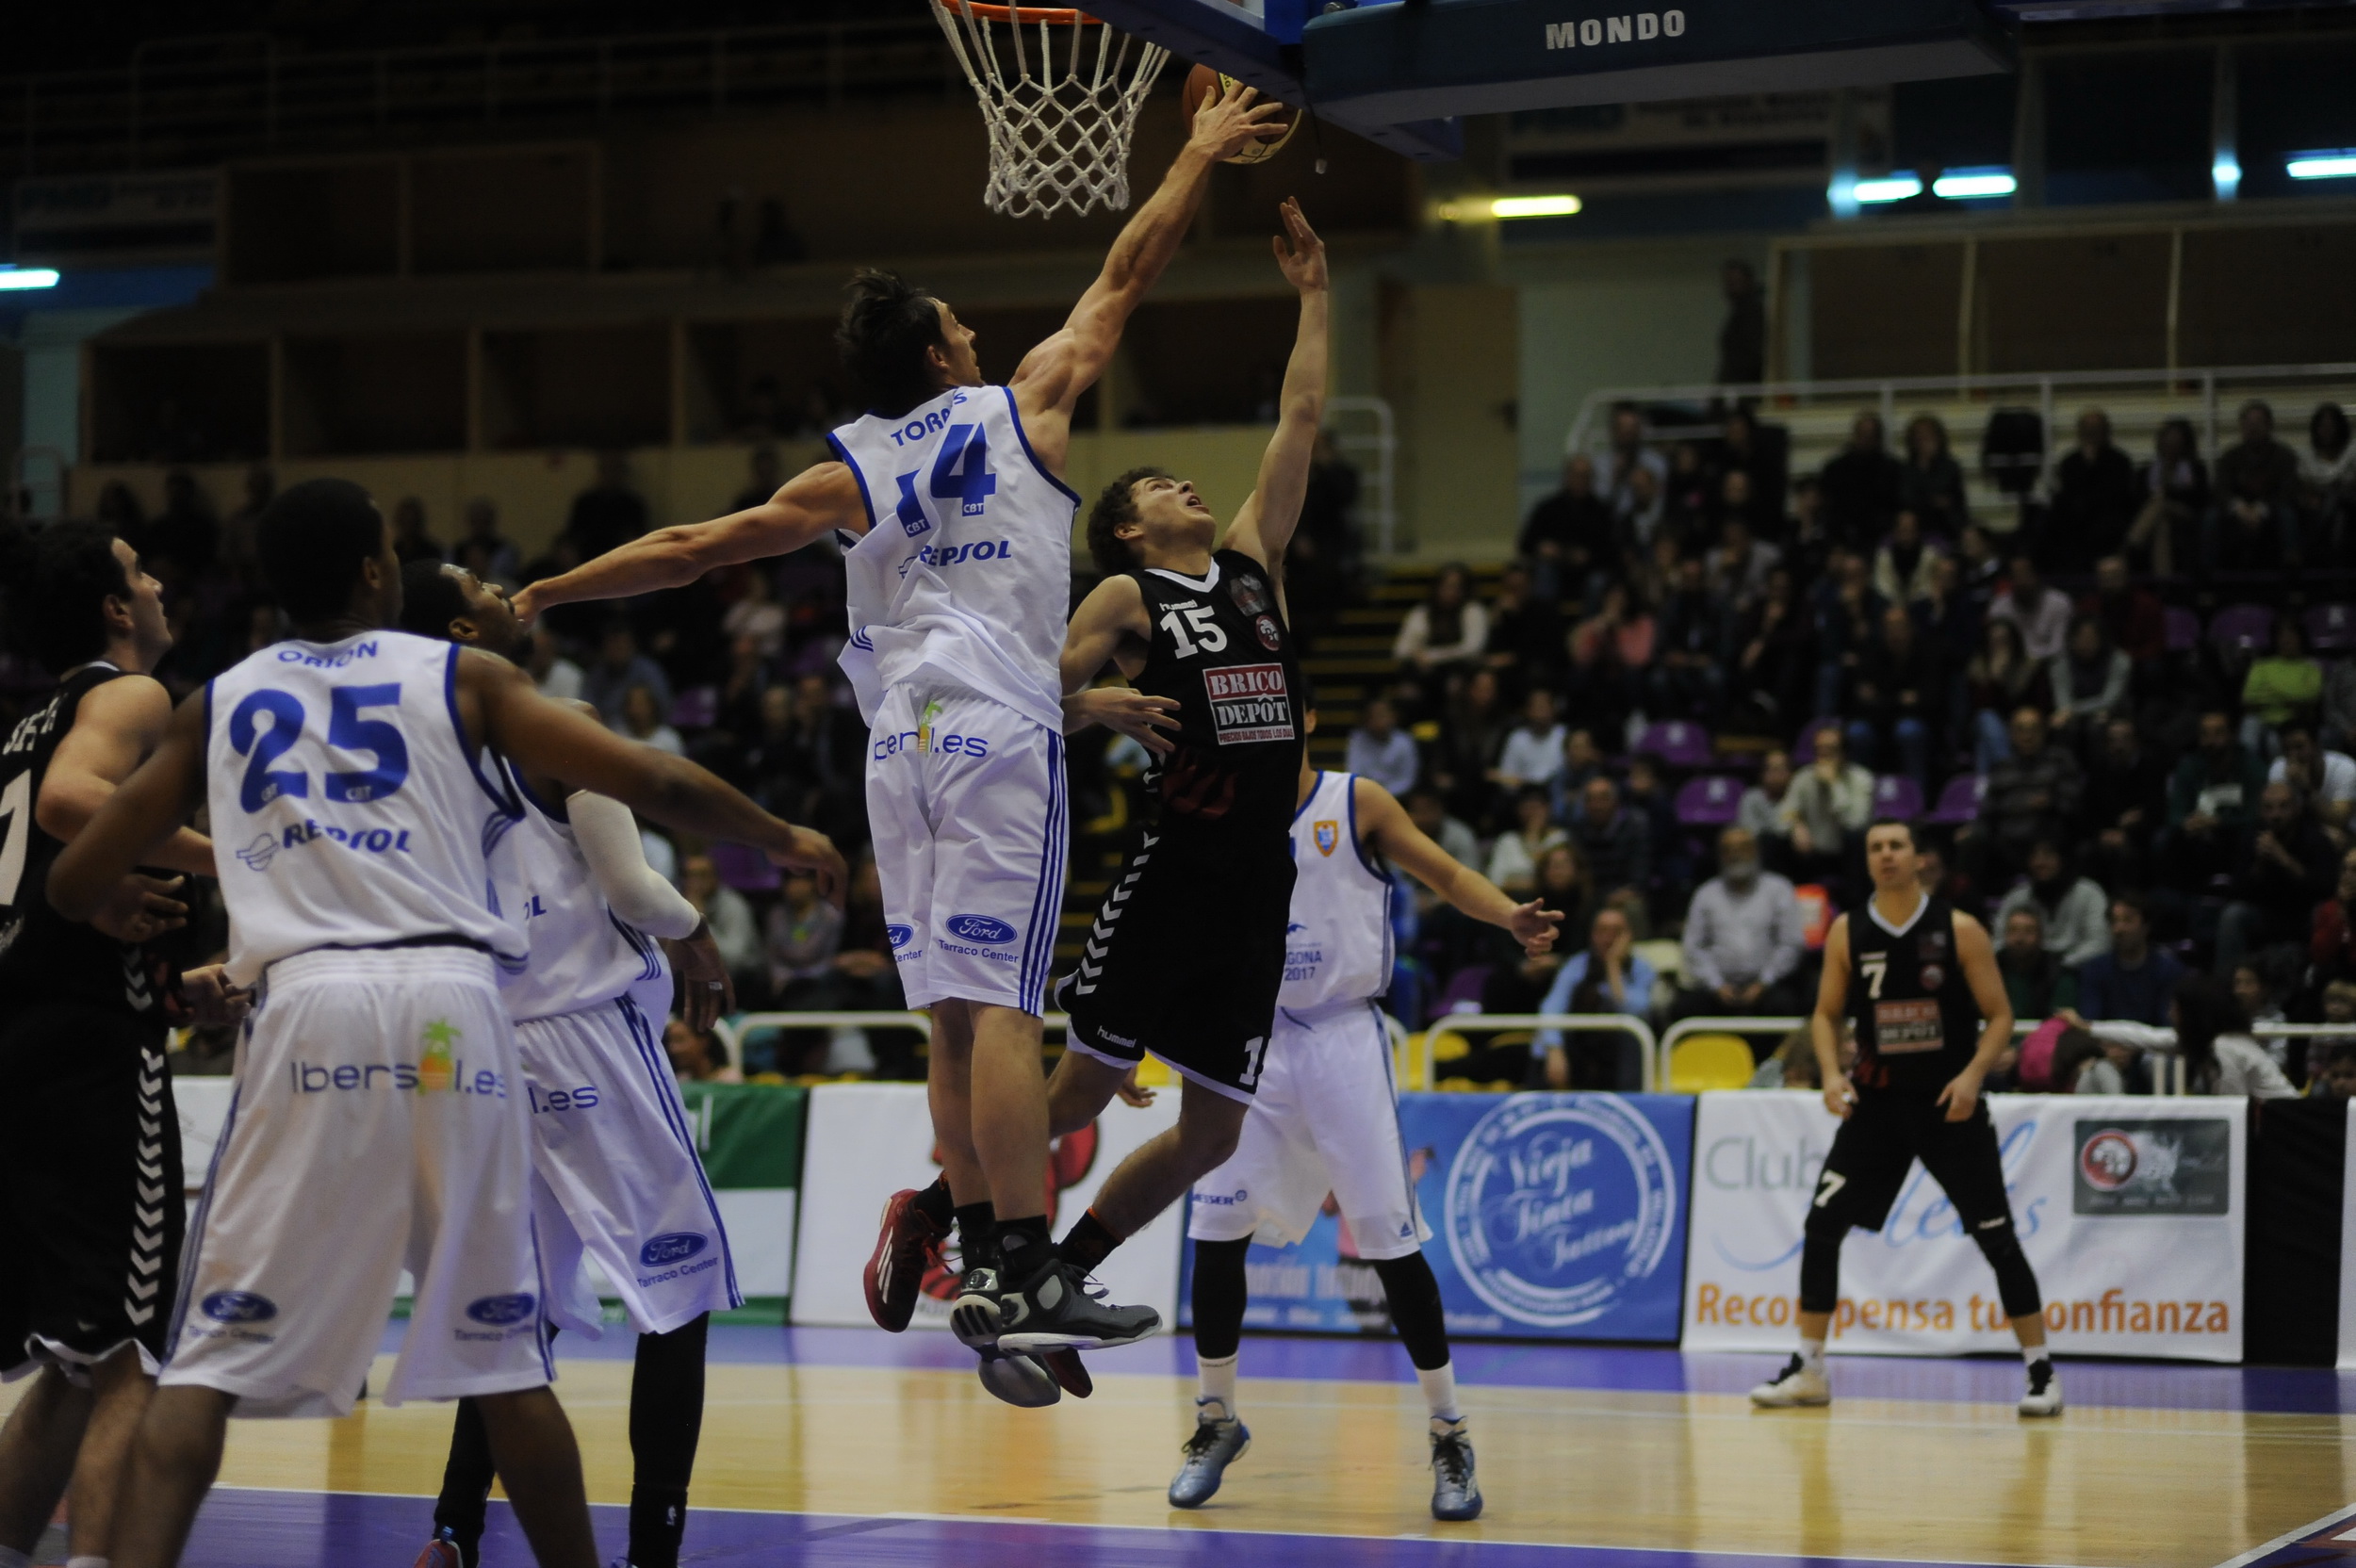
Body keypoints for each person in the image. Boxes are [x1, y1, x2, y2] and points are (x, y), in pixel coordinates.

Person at [513, 92, 1292, 1397]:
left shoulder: (852, 467)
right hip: (992, 728)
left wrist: (548, 592)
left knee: (944, 1015)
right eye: (962, 325)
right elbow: (1128, 272)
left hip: (897, 745)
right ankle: (1031, 1260)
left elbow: (694, 549)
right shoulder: (1015, 407)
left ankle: (986, 1249)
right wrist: (1198, 155)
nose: (981, 332)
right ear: (940, 354)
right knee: (998, 1012)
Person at [47, 479, 843, 1568]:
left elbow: (74, 874)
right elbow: (655, 778)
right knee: (503, 1346)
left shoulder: (219, 699)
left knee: (206, 1365)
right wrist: (781, 832)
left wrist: (122, 902)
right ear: (377, 570)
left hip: (308, 1004)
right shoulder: (462, 676)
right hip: (451, 1010)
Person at [1015, 202, 1333, 1391]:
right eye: (1158, 482)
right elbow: (1020, 704)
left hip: (1262, 883)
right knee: (1075, 1092)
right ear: (1130, 528)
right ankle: (944, 1209)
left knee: (1214, 1130)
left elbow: (1301, 415)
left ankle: (1065, 1267)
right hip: (1174, 873)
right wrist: (1089, 707)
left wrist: (1312, 295)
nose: (1185, 484)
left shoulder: (1252, 565)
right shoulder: (1123, 596)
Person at [396, 561, 744, 1568]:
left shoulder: (408, 755)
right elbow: (631, 885)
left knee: (513, 1320)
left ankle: (454, 1530)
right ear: (468, 624)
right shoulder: (558, 721)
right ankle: (652, 1551)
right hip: (583, 1029)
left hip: (469, 1043)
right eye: (486, 582)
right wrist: (697, 932)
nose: (512, 587)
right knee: (680, 1294)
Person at [1170, 733, 1562, 1521]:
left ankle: (1449, 1431)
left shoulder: (1358, 802)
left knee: (1389, 1238)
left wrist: (1506, 916)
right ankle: (1217, 1421)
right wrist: (1153, 1038)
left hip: (1343, 1034)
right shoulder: (1217, 805)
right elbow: (1186, 935)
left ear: (1304, 717)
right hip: (1248, 1037)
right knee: (1216, 1228)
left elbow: (1445, 872)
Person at [0, 523, 242, 1568]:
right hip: (92, 1059)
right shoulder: (132, 696)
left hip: (26, 1039)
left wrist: (175, 985)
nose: (155, 582)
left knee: (74, 1353)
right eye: (141, 570)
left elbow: (36, 879)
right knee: (136, 1345)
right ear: (111, 607)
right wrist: (244, 855)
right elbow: (70, 804)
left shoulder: (21, 725)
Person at [1750, 819, 2061, 1417]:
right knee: (1822, 1225)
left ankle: (2042, 1371)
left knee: (1996, 1236)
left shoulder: (1959, 929)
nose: (1887, 855)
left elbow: (2000, 1017)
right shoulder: (1848, 931)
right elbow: (1824, 1016)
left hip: (1948, 1105)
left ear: (1920, 858)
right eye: (1875, 847)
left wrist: (1972, 1077)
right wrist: (1832, 1074)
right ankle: (1810, 1368)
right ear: (1867, 861)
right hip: (1877, 1106)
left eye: (1897, 846)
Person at [1673, 828, 1805, 1021]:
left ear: (1756, 851)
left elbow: (1791, 943)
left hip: (1768, 986)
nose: (1735, 855)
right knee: (1684, 1009)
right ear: (1719, 856)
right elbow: (1693, 947)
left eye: (1743, 848)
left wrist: (1763, 983)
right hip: (1717, 988)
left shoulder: (1779, 889)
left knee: (1787, 1005)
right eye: (1728, 849)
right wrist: (1717, 985)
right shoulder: (1705, 894)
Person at [2217, 781, 2337, 975]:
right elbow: (2236, 891)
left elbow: (2327, 888)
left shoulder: (2315, 839)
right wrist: (2259, 865)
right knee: (2233, 915)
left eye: (2283, 807)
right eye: (2269, 808)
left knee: (2323, 913)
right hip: (2266, 914)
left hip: (2303, 915)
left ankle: (2318, 980)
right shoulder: (2251, 837)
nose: (2276, 815)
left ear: (2297, 809)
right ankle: (2226, 984)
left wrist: (2286, 860)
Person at [1533, 906, 1657, 1090]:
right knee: (1545, 1044)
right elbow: (1552, 1007)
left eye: (1616, 932)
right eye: (1602, 930)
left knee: (1632, 1040)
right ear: (1592, 935)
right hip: (1579, 1049)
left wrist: (1613, 966)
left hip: (1617, 1054)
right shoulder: (1576, 965)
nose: (1608, 938)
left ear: (1628, 936)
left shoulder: (1642, 969)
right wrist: (1554, 1049)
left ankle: (1630, 1105)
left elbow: (1637, 1011)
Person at [2206, 399, 2302, 571]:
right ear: (2241, 426)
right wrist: (2238, 507)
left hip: (2272, 510)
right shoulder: (2230, 457)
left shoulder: (2284, 456)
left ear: (2269, 425)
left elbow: (2289, 491)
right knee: (2211, 517)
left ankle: (2292, 577)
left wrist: (2261, 509)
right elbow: (2220, 489)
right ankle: (2208, 578)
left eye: (2259, 422)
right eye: (2248, 423)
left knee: (2287, 515)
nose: (2253, 427)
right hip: (2237, 511)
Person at [1779, 725, 1873, 891]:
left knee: (1856, 838)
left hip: (1846, 855)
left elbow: (1856, 823)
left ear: (1844, 754)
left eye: (1830, 750)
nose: (1823, 756)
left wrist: (1834, 785)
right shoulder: (1803, 777)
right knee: (1774, 840)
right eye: (1819, 750)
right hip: (1811, 853)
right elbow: (1784, 814)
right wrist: (1796, 825)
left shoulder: (1861, 779)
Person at [1993, 838, 2111, 971]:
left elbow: (2100, 942)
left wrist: (2062, 964)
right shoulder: (2016, 896)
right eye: (2034, 856)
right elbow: (1998, 942)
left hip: (2076, 972)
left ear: (2063, 859)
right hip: (2023, 968)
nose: (2040, 862)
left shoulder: (2089, 893)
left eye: (2048, 855)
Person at [2046, 409, 2139, 572]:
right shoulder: (2070, 462)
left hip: (2108, 521)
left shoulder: (2119, 461)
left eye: (2096, 430)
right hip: (2076, 521)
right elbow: (2068, 494)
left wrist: (2093, 466)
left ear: (2105, 432)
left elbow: (2117, 496)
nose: (2092, 434)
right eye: (2087, 430)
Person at [2071, 893, 2182, 1028]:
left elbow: (2167, 1024)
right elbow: (2090, 1021)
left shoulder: (2168, 970)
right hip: (2106, 1044)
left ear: (2146, 926)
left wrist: (2132, 1045)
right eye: (2114, 921)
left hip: (2151, 1046)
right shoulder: (2095, 969)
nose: (2118, 929)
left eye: (2127, 920)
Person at [1820, 412, 1905, 552]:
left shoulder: (1893, 469)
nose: (1866, 438)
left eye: (1871, 434)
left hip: (1883, 540)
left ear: (1879, 438)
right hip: (1844, 538)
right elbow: (1829, 511)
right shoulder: (1835, 469)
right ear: (1854, 435)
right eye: (1863, 433)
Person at [2272, 722, 2356, 830]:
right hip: (2305, 830)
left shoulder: (2345, 768)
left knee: (2335, 837)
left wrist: (2307, 788)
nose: (2293, 755)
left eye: (2300, 747)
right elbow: (2277, 816)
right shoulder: (2279, 767)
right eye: (2287, 749)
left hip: (2345, 830)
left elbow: (2339, 820)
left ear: (2316, 745)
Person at [1988, 556, 2072, 664]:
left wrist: (2031, 661)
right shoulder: (1999, 607)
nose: (2022, 582)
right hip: (2012, 666)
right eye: (2016, 576)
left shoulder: (2059, 603)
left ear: (2036, 576)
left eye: (2026, 575)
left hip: (2049, 665)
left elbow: (2059, 648)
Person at [1344, 694, 1421, 797]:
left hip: (1399, 797)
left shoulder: (1404, 741)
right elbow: (1354, 773)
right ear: (1367, 718)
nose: (1379, 720)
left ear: (1393, 716)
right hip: (1366, 795)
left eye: (1383, 715)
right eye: (1374, 715)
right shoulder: (1357, 740)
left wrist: (1385, 794)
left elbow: (1407, 778)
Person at [1495, 687, 1566, 793]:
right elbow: (1507, 777)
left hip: (1556, 794)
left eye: (1544, 705)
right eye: (1536, 706)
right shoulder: (1517, 738)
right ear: (1527, 710)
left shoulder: (1564, 735)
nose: (1541, 711)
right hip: (1523, 795)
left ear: (1554, 709)